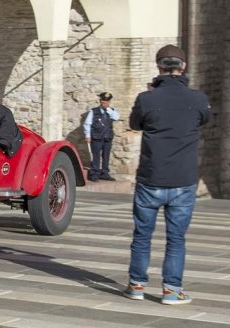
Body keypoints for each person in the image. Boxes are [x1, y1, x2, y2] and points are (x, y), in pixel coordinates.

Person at [124, 44, 211, 305]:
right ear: (182, 66)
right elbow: (205, 119)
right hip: (183, 179)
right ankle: (172, 290)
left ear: (159, 67)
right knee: (176, 238)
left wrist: (152, 97)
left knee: (142, 234)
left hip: (151, 177)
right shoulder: (197, 98)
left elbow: (134, 124)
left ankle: (136, 285)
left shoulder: (146, 98)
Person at [83, 91, 121, 182]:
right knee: (95, 156)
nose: (104, 103)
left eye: (106, 102)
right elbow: (87, 124)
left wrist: (108, 109)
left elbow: (116, 117)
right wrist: (87, 136)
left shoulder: (111, 111)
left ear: (109, 102)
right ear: (100, 101)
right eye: (103, 102)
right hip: (97, 137)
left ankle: (105, 173)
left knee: (106, 156)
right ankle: (94, 174)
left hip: (107, 137)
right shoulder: (93, 111)